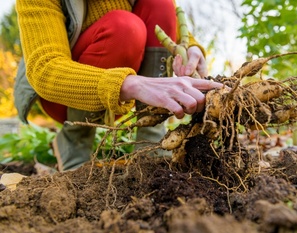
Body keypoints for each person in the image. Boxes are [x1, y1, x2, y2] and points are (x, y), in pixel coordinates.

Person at [14, 0, 223, 172]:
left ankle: (152, 143)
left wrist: (191, 48)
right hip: (61, 96)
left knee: (160, 3)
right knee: (124, 28)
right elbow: (45, 69)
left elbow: (167, 17)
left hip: (123, 97)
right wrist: (132, 84)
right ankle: (74, 141)